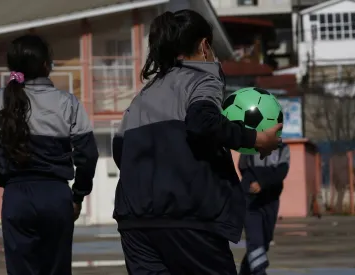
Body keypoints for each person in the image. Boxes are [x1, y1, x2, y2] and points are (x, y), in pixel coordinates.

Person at [112, 10, 282, 275]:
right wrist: (257, 139)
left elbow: (119, 149)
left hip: (134, 223)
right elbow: (202, 122)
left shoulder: (144, 95)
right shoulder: (202, 79)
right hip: (188, 219)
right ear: (204, 46)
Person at [0, 34, 99, 275]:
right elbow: (88, 153)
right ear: (46, 65)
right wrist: (78, 196)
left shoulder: (0, 99)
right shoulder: (68, 102)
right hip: (55, 196)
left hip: (17, 196)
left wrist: (5, 178)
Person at [238, 143, 290, 275]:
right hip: (251, 202)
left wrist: (262, 183)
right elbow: (242, 167)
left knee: (264, 243)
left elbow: (281, 172)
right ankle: (259, 272)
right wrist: (251, 183)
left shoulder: (282, 148)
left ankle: (244, 272)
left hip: (271, 201)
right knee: (255, 243)